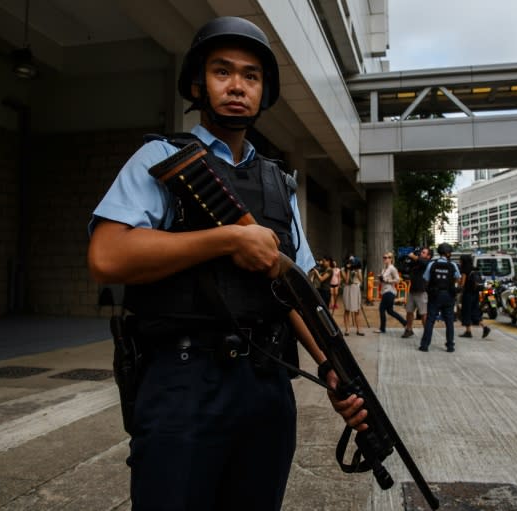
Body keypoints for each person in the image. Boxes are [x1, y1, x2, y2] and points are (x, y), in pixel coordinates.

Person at [87, 17, 366, 510]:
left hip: (267, 385)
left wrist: (330, 366)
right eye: (222, 72)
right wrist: (225, 240)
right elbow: (108, 256)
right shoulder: (161, 157)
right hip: (183, 380)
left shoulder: (281, 182)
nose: (237, 86)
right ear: (198, 82)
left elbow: (296, 292)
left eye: (251, 76)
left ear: (264, 91)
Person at [419, 243, 461, 352]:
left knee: (430, 320)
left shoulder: (432, 264)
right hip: (448, 296)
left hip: (434, 296)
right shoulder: (453, 265)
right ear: (447, 253)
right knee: (449, 321)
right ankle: (450, 346)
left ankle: (425, 345)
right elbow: (458, 278)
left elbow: (426, 278)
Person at [458, 253, 491, 339]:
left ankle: (468, 331)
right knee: (474, 311)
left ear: (463, 261)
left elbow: (462, 284)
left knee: (466, 312)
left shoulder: (465, 270)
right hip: (475, 294)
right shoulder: (475, 268)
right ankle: (484, 327)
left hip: (468, 294)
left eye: (460, 260)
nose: (459, 261)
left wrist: (458, 282)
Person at [374, 251, 407, 333]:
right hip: (385, 291)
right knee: (390, 311)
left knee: (382, 309)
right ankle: (405, 322)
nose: (385, 259)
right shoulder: (384, 269)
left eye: (387, 257)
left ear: (391, 259)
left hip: (389, 292)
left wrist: (388, 280)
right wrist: (380, 279)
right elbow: (383, 280)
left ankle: (382, 328)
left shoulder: (392, 268)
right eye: (384, 257)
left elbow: (398, 280)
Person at [402, 247, 431, 338]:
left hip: (421, 292)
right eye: (421, 252)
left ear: (428, 256)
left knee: (423, 314)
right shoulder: (416, 263)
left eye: (423, 252)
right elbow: (406, 267)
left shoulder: (427, 263)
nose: (421, 253)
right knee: (409, 311)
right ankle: (409, 329)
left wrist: (413, 256)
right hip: (412, 291)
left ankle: (427, 333)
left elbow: (422, 262)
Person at [342, 256, 365, 335]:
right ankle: (347, 330)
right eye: (350, 261)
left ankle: (359, 329)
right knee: (347, 310)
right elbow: (347, 280)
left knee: (357, 310)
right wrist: (348, 270)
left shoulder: (358, 269)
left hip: (355, 288)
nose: (351, 263)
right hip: (347, 288)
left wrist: (357, 272)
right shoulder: (342, 270)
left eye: (353, 261)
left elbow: (361, 280)